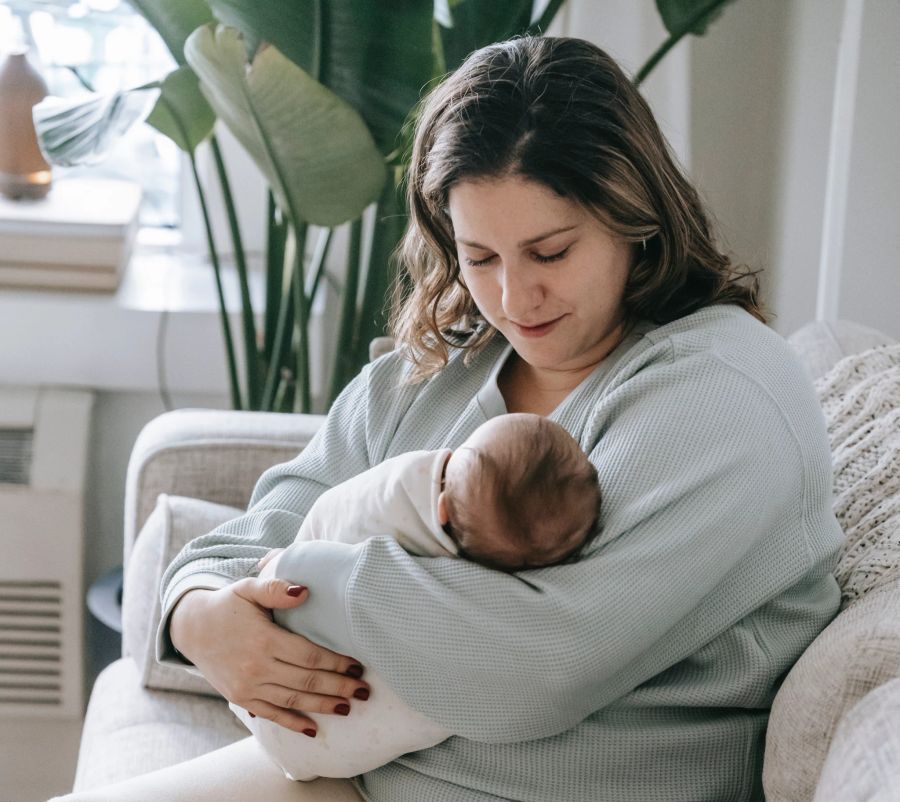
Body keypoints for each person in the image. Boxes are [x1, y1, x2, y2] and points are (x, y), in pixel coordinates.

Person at [53, 35, 844, 802]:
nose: (512, 299)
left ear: (633, 220)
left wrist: (314, 577)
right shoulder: (430, 373)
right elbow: (261, 528)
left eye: (550, 252)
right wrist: (199, 616)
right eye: (481, 256)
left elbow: (536, 669)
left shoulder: (720, 391)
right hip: (358, 779)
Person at [232, 412, 601, 781]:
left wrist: (291, 562)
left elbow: (334, 515)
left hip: (304, 724)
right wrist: (195, 606)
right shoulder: (389, 395)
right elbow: (268, 516)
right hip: (332, 746)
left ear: (441, 506)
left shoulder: (402, 494)